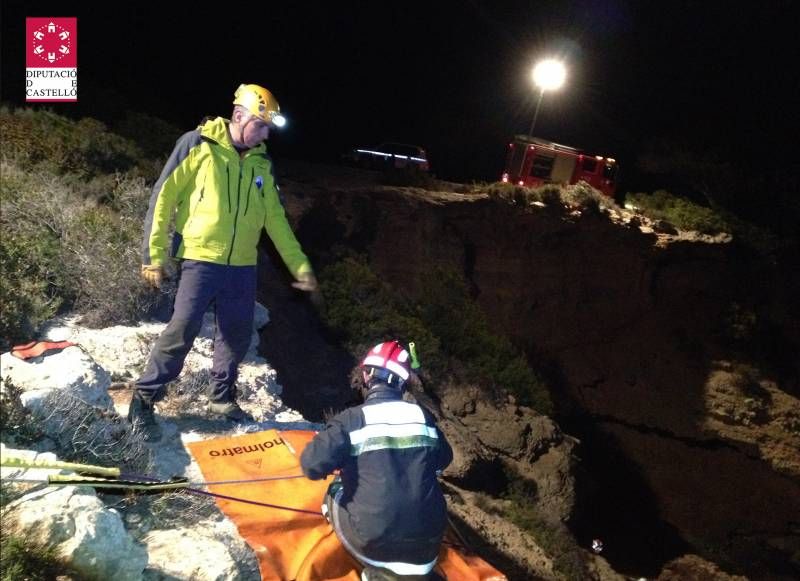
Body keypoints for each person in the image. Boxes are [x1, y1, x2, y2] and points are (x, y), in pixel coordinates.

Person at [129, 84, 318, 442]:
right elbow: (163, 197)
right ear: (238, 115)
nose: (265, 134)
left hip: (242, 266)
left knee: (236, 333)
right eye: (260, 125)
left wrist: (299, 266)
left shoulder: (261, 163)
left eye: (267, 128)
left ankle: (221, 399)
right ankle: (144, 398)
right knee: (182, 329)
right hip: (201, 258)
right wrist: (153, 256)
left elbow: (275, 220)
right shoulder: (197, 144)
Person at [301, 341, 453, 580]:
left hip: (375, 545)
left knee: (334, 491)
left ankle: (380, 571)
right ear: (403, 382)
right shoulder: (423, 417)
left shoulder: (351, 419)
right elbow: (445, 458)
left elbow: (311, 465)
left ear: (366, 374)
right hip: (428, 548)